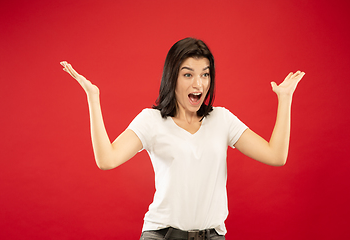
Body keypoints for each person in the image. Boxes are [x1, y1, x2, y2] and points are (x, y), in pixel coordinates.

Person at [60, 37, 305, 240]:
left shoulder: (222, 120)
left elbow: (276, 156)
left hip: (212, 236)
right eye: (188, 75)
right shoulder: (151, 121)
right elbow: (107, 159)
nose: (198, 83)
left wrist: (285, 99)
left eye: (205, 75)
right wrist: (93, 97)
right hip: (162, 235)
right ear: (173, 77)